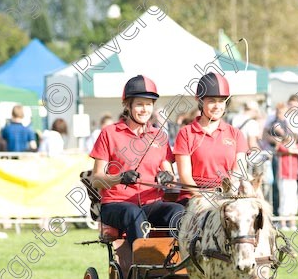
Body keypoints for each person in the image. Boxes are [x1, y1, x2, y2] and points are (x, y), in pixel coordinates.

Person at [90, 75, 184, 245]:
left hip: (151, 204)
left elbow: (170, 175)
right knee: (133, 213)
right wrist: (120, 178)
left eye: (148, 104)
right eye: (139, 104)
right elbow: (96, 179)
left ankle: (177, 262)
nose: (144, 109)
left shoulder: (160, 136)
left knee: (178, 210)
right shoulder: (109, 134)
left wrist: (168, 178)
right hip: (116, 205)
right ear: (128, 105)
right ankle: (142, 263)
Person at [173, 72, 248, 201]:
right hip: (194, 197)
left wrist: (227, 194)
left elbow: (239, 171)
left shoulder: (236, 134)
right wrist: (201, 196)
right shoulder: (185, 133)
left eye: (221, 101)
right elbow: (185, 175)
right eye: (212, 101)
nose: (217, 106)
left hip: (226, 195)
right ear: (201, 102)